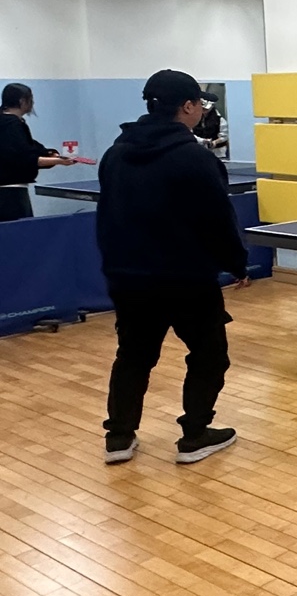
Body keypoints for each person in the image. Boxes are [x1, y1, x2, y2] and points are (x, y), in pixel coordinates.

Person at [98, 69, 251, 466]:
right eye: (198, 103)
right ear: (187, 107)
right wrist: (236, 263)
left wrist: (115, 270)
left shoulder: (115, 154)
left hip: (129, 278)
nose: (201, 110)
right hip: (187, 279)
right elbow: (218, 221)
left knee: (133, 356)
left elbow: (106, 218)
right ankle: (195, 435)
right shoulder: (195, 159)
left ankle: (119, 437)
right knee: (209, 354)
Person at [0, 82, 76, 221]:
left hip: (10, 191)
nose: (33, 103)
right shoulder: (12, 125)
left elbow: (30, 148)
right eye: (31, 99)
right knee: (19, 231)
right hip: (10, 194)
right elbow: (25, 158)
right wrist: (58, 161)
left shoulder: (9, 122)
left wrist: (48, 153)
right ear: (22, 101)